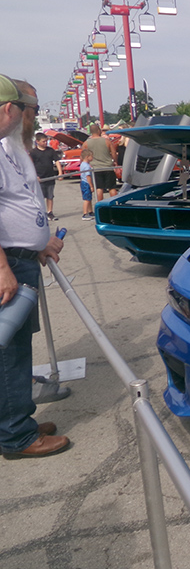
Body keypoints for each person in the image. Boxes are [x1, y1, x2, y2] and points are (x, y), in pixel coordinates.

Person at [0, 74, 69, 459]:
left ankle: (15, 419)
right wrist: (3, 268)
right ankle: (17, 436)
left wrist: (41, 243)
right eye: (29, 108)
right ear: (11, 109)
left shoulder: (7, 146)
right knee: (9, 352)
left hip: (20, 259)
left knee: (14, 349)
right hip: (8, 264)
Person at [30, 132, 63, 221]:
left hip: (50, 177)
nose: (45, 143)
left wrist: (60, 173)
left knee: (50, 196)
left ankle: (50, 212)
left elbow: (56, 161)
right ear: (37, 141)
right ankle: (41, 213)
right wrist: (35, 176)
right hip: (39, 178)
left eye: (46, 141)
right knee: (39, 197)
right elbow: (30, 165)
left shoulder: (50, 150)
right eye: (43, 141)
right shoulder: (33, 152)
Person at [83, 123, 117, 201]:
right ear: (99, 131)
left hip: (95, 168)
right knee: (112, 188)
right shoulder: (107, 141)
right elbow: (114, 153)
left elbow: (83, 156)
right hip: (108, 167)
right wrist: (115, 161)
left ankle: (100, 205)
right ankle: (115, 204)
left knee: (99, 188)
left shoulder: (86, 143)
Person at [79, 148, 95, 220]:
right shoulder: (86, 166)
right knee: (87, 199)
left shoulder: (83, 164)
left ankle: (90, 211)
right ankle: (85, 214)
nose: (92, 158)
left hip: (83, 182)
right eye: (91, 156)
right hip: (86, 183)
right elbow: (88, 176)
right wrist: (91, 185)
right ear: (87, 157)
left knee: (89, 198)